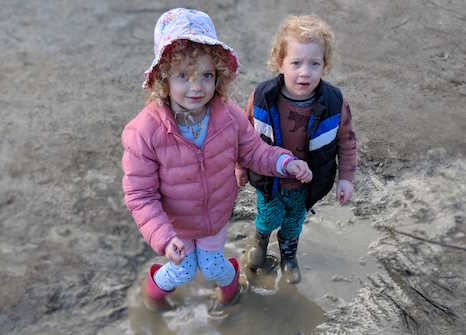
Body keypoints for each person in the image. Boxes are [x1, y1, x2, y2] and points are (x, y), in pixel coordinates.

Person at [121, 8, 312, 312]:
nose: (196, 87)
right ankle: (153, 297)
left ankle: (231, 295)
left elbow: (254, 152)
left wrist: (284, 163)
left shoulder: (228, 115)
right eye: (183, 76)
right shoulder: (145, 132)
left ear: (218, 76)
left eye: (206, 76)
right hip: (175, 225)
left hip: (214, 217)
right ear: (163, 77)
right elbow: (139, 194)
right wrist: (164, 237)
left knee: (212, 267)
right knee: (182, 270)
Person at [235, 14, 357, 284]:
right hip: (270, 180)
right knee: (267, 217)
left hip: (306, 185)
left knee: (294, 223)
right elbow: (243, 135)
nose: (305, 72)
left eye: (314, 63)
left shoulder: (334, 103)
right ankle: (261, 242)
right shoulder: (263, 98)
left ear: (324, 66)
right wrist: (240, 166)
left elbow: (346, 142)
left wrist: (346, 179)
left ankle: (289, 254)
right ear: (280, 63)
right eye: (296, 63)